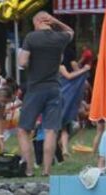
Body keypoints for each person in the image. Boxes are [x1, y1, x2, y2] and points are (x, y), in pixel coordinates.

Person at [17, 11, 73, 177]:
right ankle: (47, 171)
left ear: (37, 21)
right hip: (54, 89)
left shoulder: (31, 37)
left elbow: (22, 62)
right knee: (50, 131)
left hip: (35, 89)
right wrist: (56, 21)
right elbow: (70, 31)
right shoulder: (59, 38)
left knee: (24, 130)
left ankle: (29, 170)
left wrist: (30, 60)